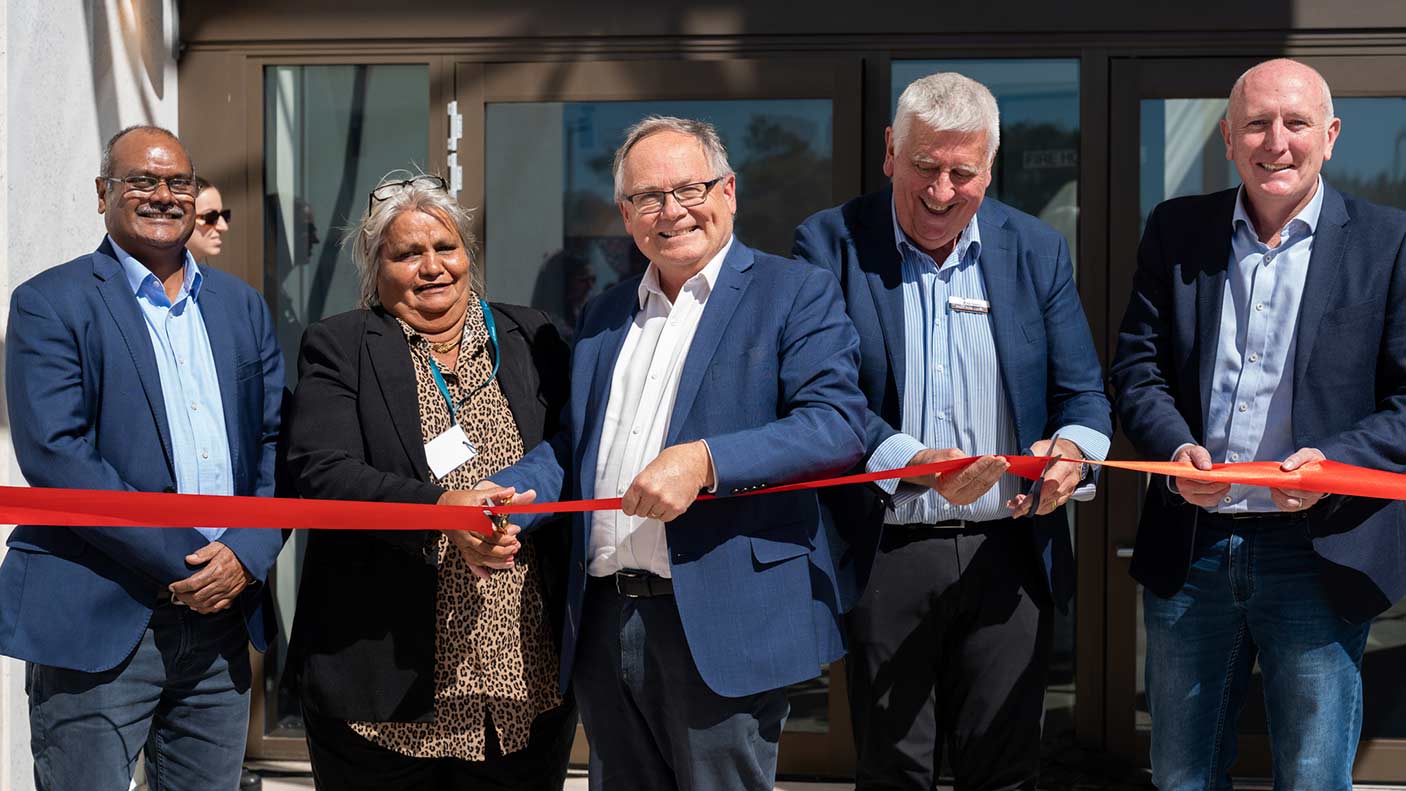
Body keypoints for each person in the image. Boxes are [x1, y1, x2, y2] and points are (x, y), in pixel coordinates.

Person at [488, 116, 867, 790]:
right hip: (607, 616)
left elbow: (837, 425)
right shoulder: (606, 313)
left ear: (728, 191)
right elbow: (578, 444)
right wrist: (516, 497)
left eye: (687, 189)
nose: (670, 212)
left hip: (725, 619)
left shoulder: (793, 292)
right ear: (625, 215)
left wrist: (705, 461)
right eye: (646, 198)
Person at [792, 72, 1112, 790]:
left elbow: (1083, 395)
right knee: (894, 769)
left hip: (1010, 553)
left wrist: (1072, 455)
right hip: (888, 547)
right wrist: (913, 461)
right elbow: (823, 390)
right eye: (924, 167)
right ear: (889, 152)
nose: (941, 192)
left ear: (990, 167)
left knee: (1002, 768)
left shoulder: (1035, 249)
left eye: (962, 173)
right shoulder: (829, 243)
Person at [1110, 58, 1406, 790]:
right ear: (1228, 138)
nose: (1277, 141)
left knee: (1311, 774)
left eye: (1296, 123)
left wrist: (1330, 461)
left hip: (1319, 549)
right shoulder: (1177, 231)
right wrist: (1177, 448)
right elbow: (1136, 372)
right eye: (1257, 123)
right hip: (1195, 547)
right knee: (1181, 773)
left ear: (1330, 136)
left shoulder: (1388, 241)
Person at [0, 125, 285, 790]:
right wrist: (193, 559)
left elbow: (276, 450)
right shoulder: (49, 303)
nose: (164, 195)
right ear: (104, 193)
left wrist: (244, 554)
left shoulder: (242, 307)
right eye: (141, 181)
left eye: (178, 182)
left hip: (221, 626)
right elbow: (58, 457)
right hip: (99, 620)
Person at [282, 172, 576, 790]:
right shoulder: (340, 346)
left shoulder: (532, 337)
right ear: (375, 266)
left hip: (527, 676)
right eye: (407, 253)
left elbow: (572, 449)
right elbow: (322, 471)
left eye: (446, 248)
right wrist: (444, 509)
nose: (432, 267)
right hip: (387, 682)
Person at [186, 175, 231, 261]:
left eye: (225, 215)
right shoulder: (153, 273)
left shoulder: (217, 274)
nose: (224, 227)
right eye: (211, 216)